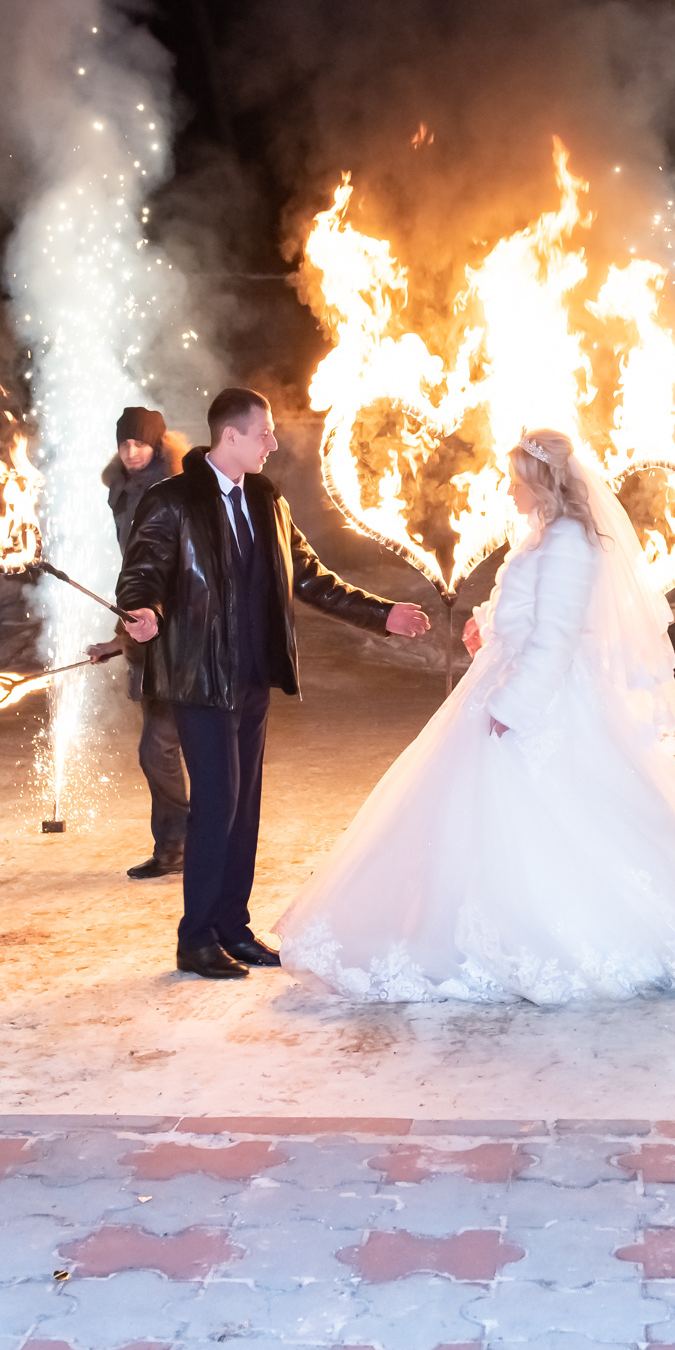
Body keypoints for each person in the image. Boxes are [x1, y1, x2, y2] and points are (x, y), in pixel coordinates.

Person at [275, 427, 675, 1004]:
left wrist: (513, 706)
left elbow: (557, 636)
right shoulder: (541, 533)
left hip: (545, 700)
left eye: (514, 479)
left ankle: (579, 932)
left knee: (572, 820)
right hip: (509, 678)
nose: (507, 489)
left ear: (539, 481)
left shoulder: (572, 540)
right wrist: (488, 622)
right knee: (476, 820)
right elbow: (526, 606)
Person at [116, 387, 433, 980]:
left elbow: (309, 577)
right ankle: (197, 938)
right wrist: (144, 609)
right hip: (198, 679)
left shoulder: (266, 498)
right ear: (229, 436)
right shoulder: (173, 501)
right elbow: (142, 574)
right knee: (216, 805)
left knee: (243, 808)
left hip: (251, 679)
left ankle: (233, 927)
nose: (273, 442)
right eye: (263, 433)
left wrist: (381, 614)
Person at [100, 406, 189, 879]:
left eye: (140, 443)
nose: (131, 451)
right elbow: (135, 575)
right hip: (145, 634)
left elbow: (171, 570)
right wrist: (120, 637)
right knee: (162, 749)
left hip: (178, 638)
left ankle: (188, 839)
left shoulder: (171, 494)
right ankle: (175, 845)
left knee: (159, 748)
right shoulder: (122, 493)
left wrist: (155, 616)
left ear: (157, 445)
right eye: (124, 443)